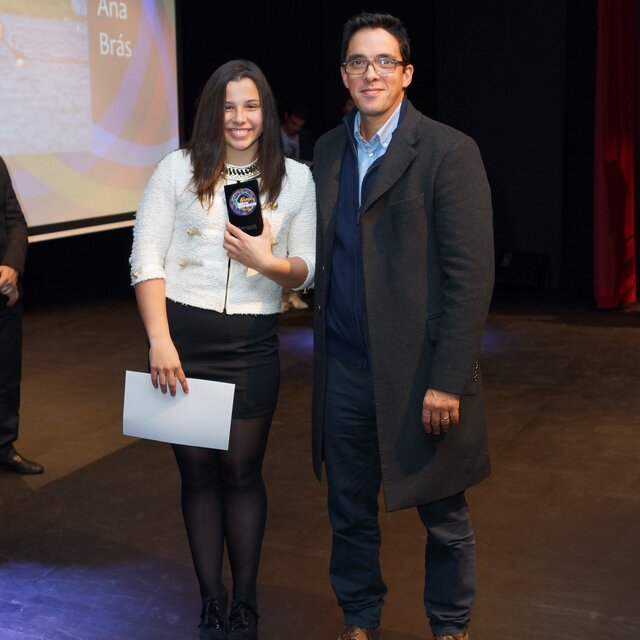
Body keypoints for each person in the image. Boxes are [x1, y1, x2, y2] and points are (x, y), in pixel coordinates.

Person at [311, 12, 494, 640]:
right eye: (358, 62)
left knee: (444, 517)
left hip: (422, 375)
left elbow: (471, 276)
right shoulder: (328, 151)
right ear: (344, 74)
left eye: (384, 61)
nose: (371, 73)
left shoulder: (449, 151)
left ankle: (450, 627)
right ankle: (360, 620)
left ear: (407, 73)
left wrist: (449, 379)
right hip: (343, 371)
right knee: (348, 512)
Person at [129, 60, 315, 639]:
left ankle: (246, 602)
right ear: (212, 111)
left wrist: (268, 262)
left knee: (241, 473)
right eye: (229, 106)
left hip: (252, 344)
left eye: (251, 106)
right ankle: (211, 600)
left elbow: (307, 269)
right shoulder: (175, 170)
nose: (240, 118)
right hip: (183, 346)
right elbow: (145, 259)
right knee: (197, 477)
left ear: (266, 111)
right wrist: (160, 341)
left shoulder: (296, 179)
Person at [0, 157, 44, 475]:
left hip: (5, 293)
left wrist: (12, 266)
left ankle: (4, 447)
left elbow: (16, 221)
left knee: (6, 377)